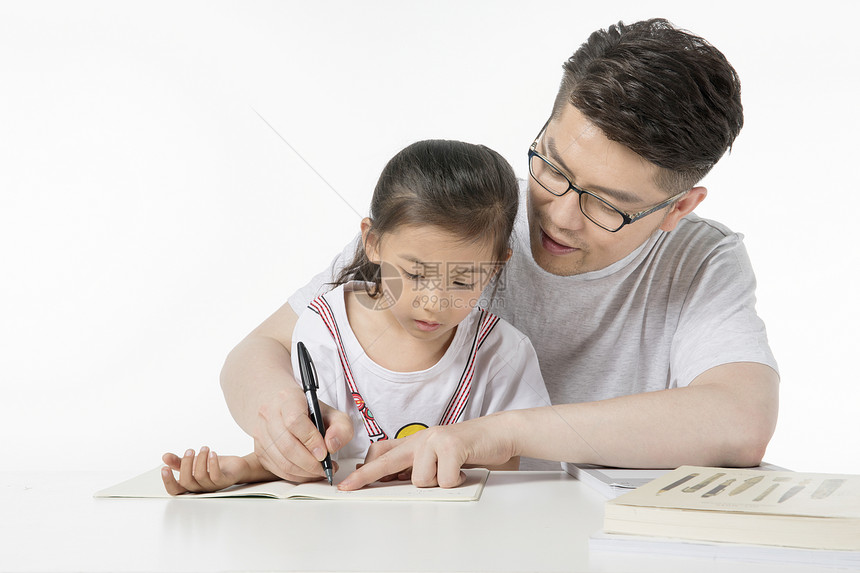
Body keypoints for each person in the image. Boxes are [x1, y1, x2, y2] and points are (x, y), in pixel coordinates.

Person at [220, 18, 780, 492]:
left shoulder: (701, 259)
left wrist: (500, 433)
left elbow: (740, 418)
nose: (558, 215)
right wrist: (278, 412)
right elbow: (262, 348)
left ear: (678, 207)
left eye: (608, 206)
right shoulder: (465, 217)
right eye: (553, 168)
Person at [161, 139, 551, 494]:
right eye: (415, 274)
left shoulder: (504, 352)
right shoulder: (324, 328)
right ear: (372, 242)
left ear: (498, 266)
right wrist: (246, 469)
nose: (434, 302)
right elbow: (312, 455)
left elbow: (508, 465)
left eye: (464, 281)